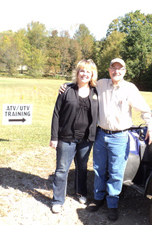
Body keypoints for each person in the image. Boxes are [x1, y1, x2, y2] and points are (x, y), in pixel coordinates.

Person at [60, 58, 152, 221]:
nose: (116, 71)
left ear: (124, 71)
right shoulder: (101, 84)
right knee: (98, 169)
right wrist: (66, 86)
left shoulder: (129, 88)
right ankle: (98, 199)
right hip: (101, 134)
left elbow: (145, 110)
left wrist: (151, 127)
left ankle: (112, 204)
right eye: (113, 68)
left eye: (120, 68)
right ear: (109, 69)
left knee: (116, 173)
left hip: (120, 136)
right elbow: (83, 81)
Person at [50, 59, 99, 214]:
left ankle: (81, 193)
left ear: (92, 74)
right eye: (82, 71)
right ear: (77, 73)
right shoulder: (67, 90)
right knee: (62, 169)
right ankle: (58, 200)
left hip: (86, 139)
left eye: (88, 71)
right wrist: (54, 137)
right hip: (66, 137)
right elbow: (56, 113)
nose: (85, 74)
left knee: (82, 167)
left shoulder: (96, 92)